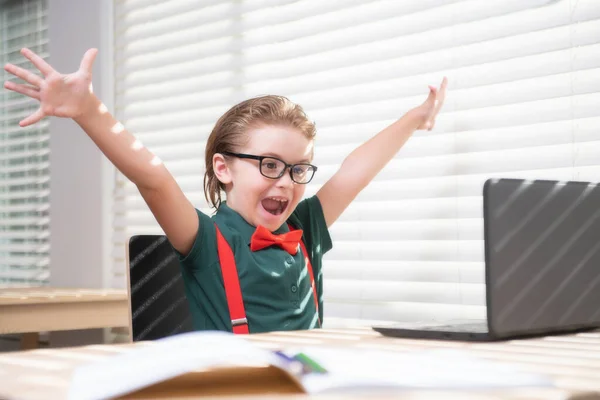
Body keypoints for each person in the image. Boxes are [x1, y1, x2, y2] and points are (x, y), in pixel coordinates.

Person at [4, 48, 447, 334]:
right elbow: (153, 177)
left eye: (298, 169)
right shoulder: (206, 241)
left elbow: (354, 171)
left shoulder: (305, 228)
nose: (285, 182)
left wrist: (414, 119)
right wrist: (90, 111)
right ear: (224, 168)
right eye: (269, 165)